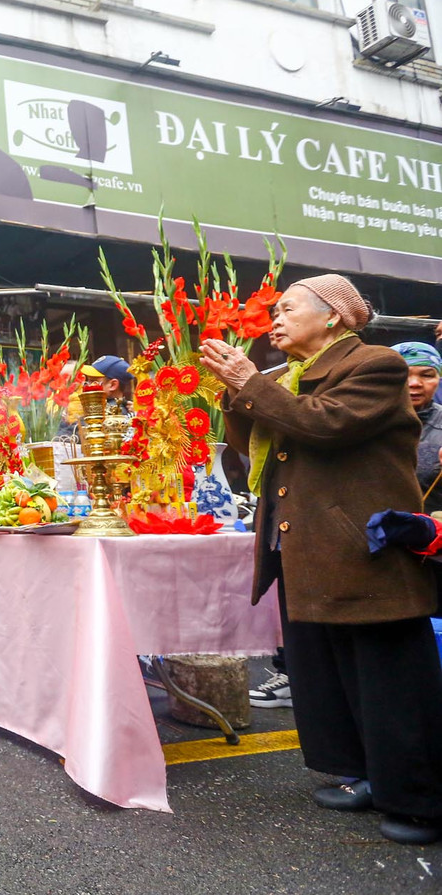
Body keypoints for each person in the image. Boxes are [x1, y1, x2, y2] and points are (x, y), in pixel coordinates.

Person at [203, 274, 442, 846]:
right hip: (305, 547)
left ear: (333, 316)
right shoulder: (285, 378)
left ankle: (421, 800)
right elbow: (247, 440)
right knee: (330, 676)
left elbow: (324, 425)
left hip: (361, 548)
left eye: (287, 309)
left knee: (388, 681)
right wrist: (236, 390)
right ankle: (364, 775)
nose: (274, 319)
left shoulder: (376, 364)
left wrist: (248, 382)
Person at [392, 342, 442, 514]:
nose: (414, 383)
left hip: (430, 533)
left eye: (427, 375)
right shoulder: (360, 419)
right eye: (404, 374)